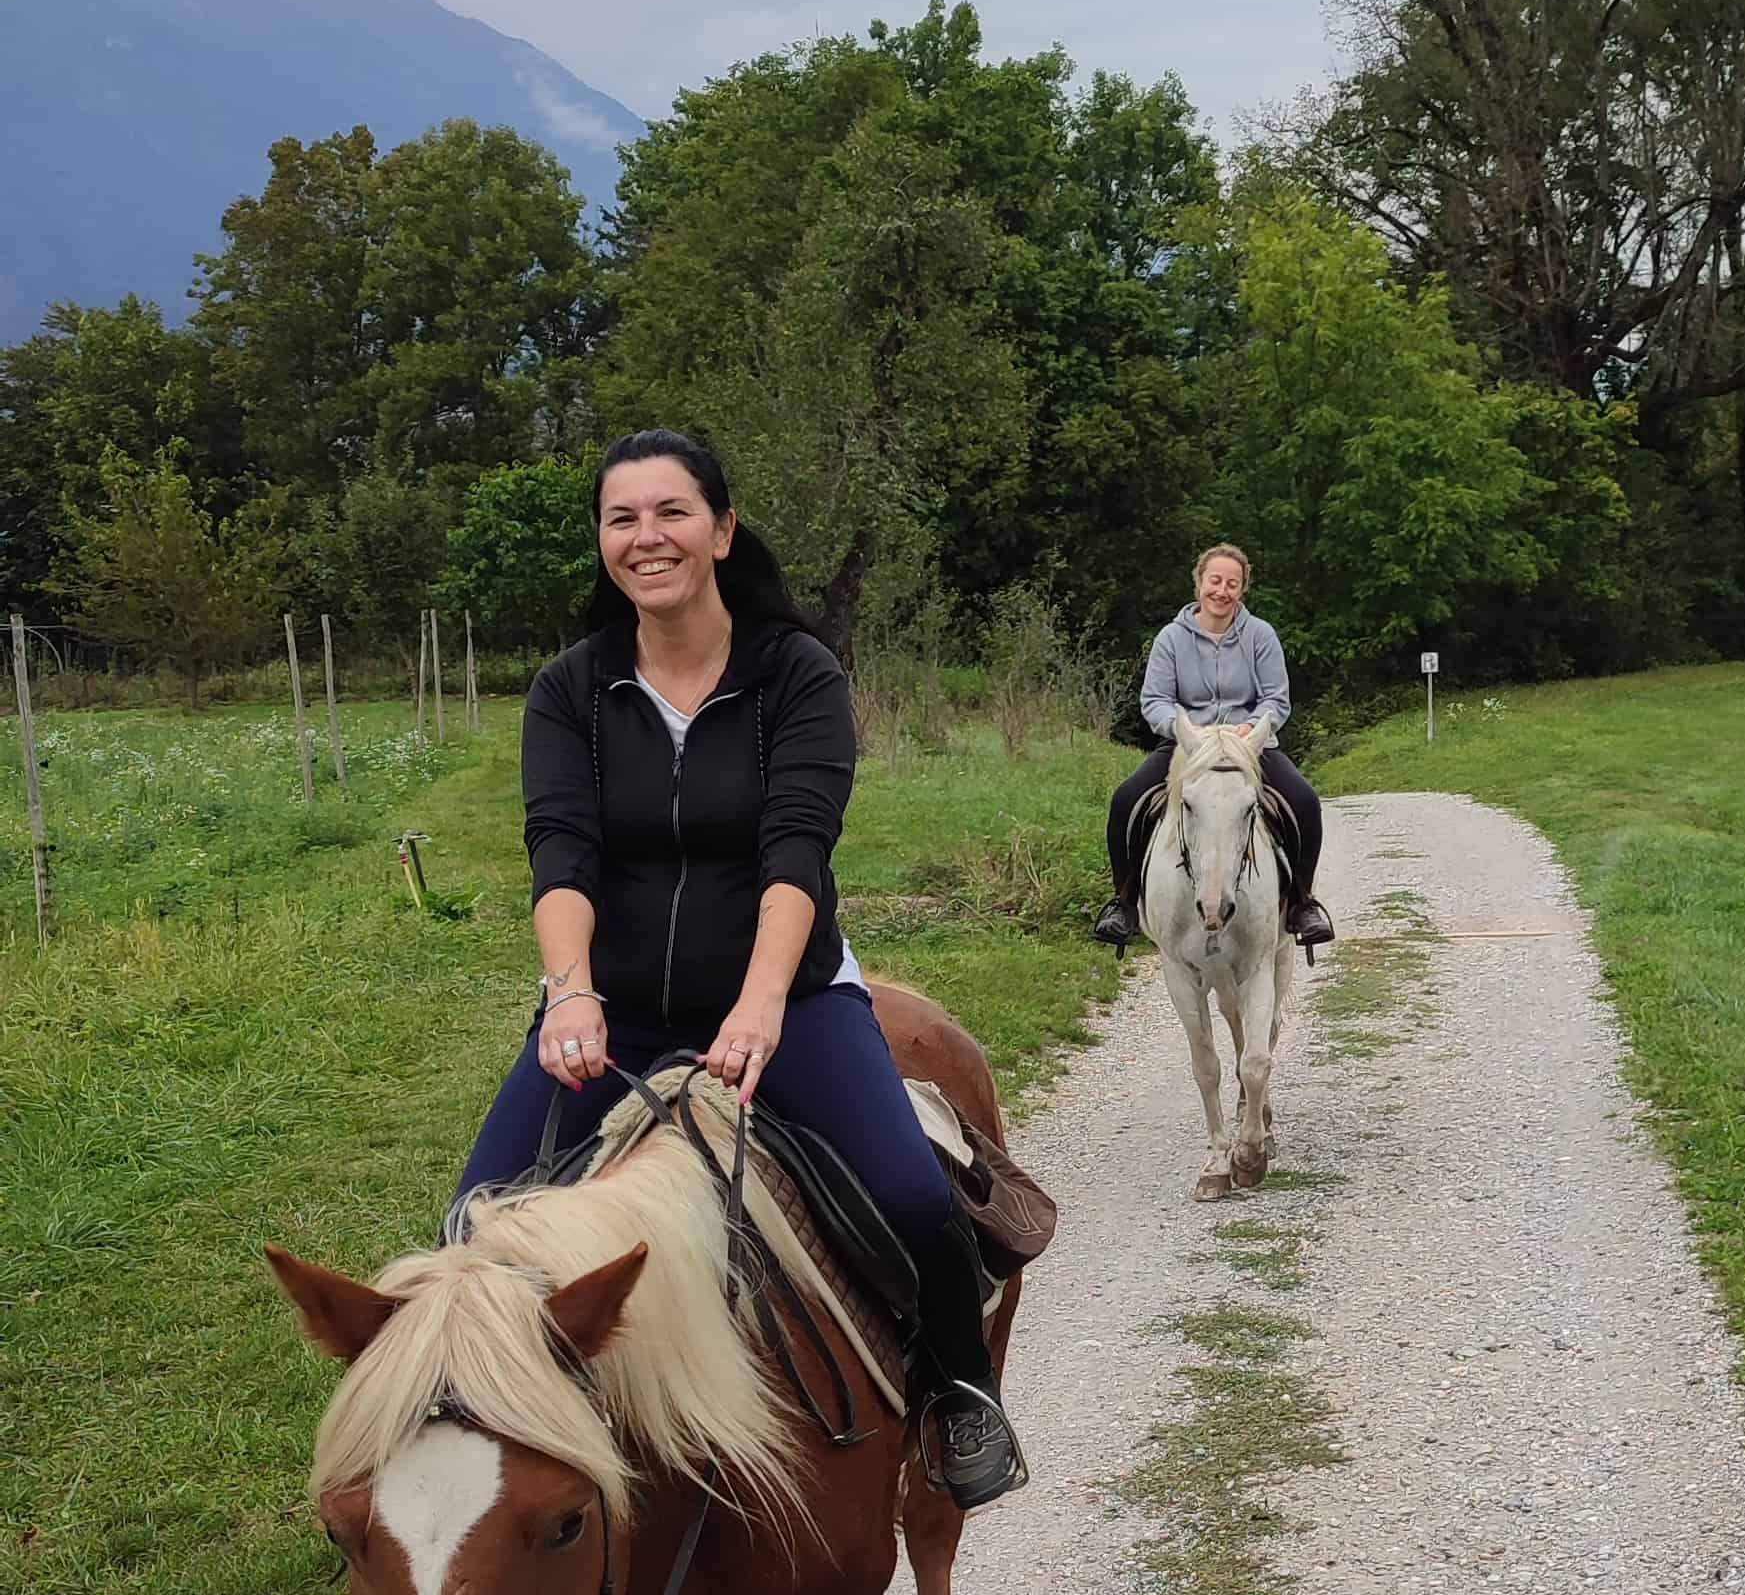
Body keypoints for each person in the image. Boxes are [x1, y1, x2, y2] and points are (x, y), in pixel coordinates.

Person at [452, 430, 1023, 1507]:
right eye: (622, 518)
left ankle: (959, 1392)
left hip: (788, 998)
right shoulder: (571, 689)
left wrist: (763, 1005)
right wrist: (570, 992)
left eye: (671, 512)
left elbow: (795, 848)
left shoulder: (795, 675)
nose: (646, 536)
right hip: (613, 1009)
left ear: (721, 529)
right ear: (602, 543)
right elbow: (561, 849)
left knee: (910, 1194)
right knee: (471, 1222)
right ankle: (482, 1473)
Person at [1094, 542, 1334, 950]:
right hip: (1188, 747)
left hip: (1249, 747)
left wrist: (1252, 730)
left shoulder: (1261, 635)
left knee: (1305, 801)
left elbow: (1277, 699)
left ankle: (1301, 903)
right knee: (1126, 800)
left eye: (1232, 584)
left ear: (1243, 590)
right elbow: (1154, 700)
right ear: (1199, 583)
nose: (1222, 591)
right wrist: (1185, 729)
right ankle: (1124, 902)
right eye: (1215, 581)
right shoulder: (1171, 638)